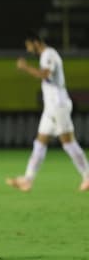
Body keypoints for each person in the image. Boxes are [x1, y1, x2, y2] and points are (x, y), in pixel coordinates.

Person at [6, 31, 89, 192]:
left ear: (36, 43)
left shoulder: (49, 54)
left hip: (58, 105)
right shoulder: (45, 55)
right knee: (40, 143)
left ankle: (87, 175)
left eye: (29, 46)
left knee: (68, 143)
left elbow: (45, 74)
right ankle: (28, 179)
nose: (29, 50)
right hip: (51, 108)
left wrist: (25, 67)